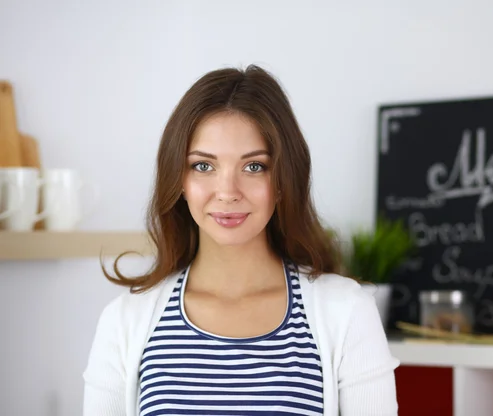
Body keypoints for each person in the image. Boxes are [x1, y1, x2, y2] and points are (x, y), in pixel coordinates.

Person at [83, 64, 400, 416]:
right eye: (203, 166)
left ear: (282, 180)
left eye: (254, 167)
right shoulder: (124, 321)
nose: (227, 192)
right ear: (179, 181)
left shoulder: (348, 312)